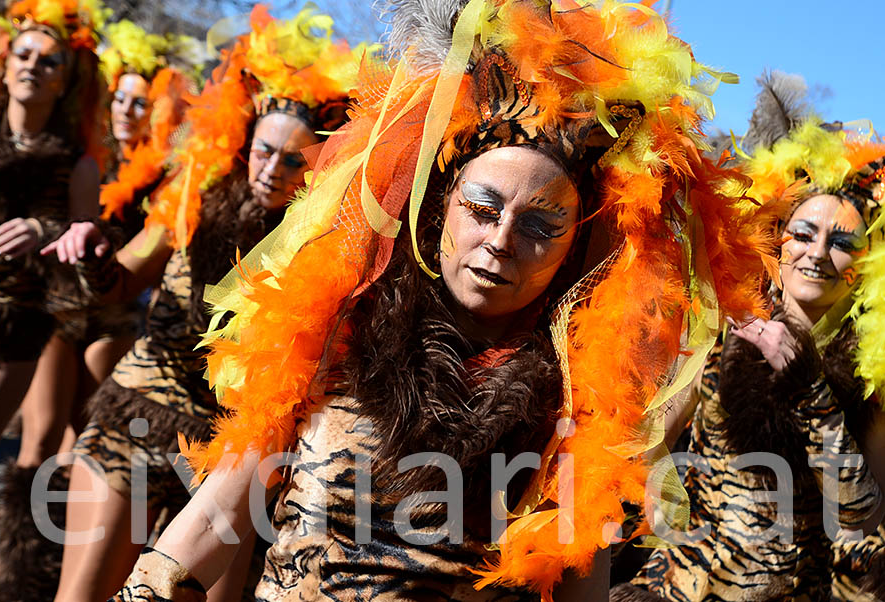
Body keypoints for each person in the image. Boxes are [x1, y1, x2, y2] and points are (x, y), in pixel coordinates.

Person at [110, 1, 778, 600]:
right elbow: (220, 514)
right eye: (483, 208)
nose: (499, 243)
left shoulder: (582, 403)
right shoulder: (341, 327)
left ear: (574, 250)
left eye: (541, 226)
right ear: (441, 209)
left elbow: (579, 581)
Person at [44, 6, 365, 601]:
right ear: (246, 142)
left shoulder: (322, 247)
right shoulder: (196, 194)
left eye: (294, 160)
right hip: (138, 413)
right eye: (264, 151)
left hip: (230, 452)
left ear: (316, 170)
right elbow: (124, 278)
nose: (271, 169)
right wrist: (94, 256)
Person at [612, 73, 885, 602]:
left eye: (841, 241)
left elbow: (864, 515)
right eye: (802, 233)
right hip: (679, 587)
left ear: (866, 261)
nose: (816, 252)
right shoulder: (725, 326)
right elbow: (649, 443)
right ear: (777, 243)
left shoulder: (871, 367)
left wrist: (810, 390)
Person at [0, 1, 106, 599]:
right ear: (5, 64)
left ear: (65, 81)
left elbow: (86, 241)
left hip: (10, 333)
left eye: (48, 61)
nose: (32, 66)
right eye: (24, 55)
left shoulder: (76, 164)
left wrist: (46, 230)